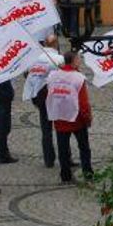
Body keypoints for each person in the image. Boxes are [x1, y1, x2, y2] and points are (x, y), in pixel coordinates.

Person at [47, 51, 93, 183]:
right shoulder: (78, 78)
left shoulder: (53, 76)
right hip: (76, 119)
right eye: (78, 59)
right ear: (73, 61)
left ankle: (65, 175)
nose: (80, 61)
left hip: (59, 117)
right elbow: (83, 102)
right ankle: (88, 173)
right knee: (84, 148)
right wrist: (87, 118)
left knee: (63, 149)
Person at [24, 35, 63, 168]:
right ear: (56, 44)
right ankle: (65, 157)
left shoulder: (34, 58)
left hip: (40, 97)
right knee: (61, 129)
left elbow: (27, 74)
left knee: (46, 130)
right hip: (56, 97)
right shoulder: (58, 58)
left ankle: (49, 159)